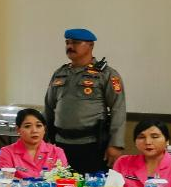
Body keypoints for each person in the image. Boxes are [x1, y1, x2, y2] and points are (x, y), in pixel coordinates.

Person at [44, 28, 127, 174]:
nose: (70, 46)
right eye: (67, 43)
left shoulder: (106, 74)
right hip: (61, 144)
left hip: (92, 144)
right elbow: (49, 107)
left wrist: (116, 144)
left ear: (91, 46)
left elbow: (118, 108)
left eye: (75, 43)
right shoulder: (60, 73)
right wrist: (44, 140)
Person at [0, 109, 69, 179]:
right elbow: (5, 180)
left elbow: (62, 181)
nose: (34, 130)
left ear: (44, 129)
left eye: (39, 126)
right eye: (27, 126)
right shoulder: (7, 152)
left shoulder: (57, 152)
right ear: (18, 129)